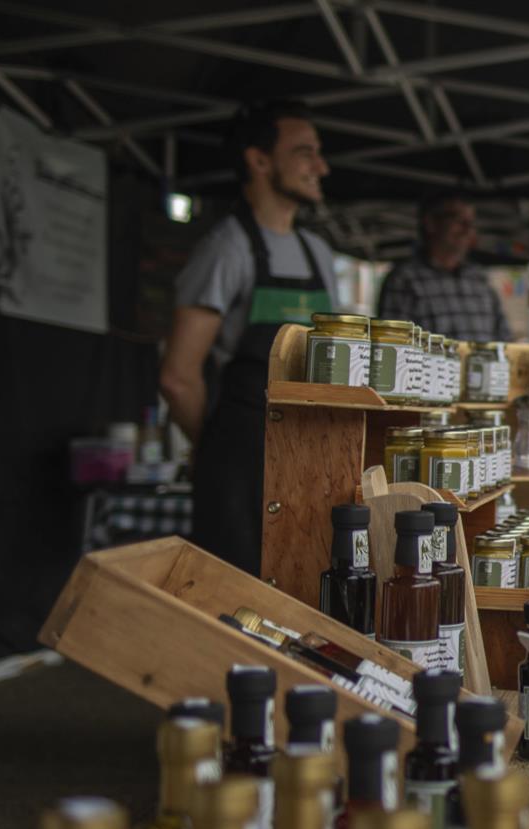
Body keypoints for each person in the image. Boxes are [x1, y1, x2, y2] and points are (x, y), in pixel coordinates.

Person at [161, 99, 335, 574]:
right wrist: (214, 446)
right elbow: (178, 377)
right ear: (259, 161)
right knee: (239, 606)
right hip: (239, 463)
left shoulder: (318, 252)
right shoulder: (226, 248)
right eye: (304, 152)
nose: (321, 166)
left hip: (305, 463)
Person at [376, 191, 511, 342]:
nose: (467, 229)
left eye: (470, 222)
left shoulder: (479, 279)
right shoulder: (404, 279)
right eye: (458, 220)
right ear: (431, 223)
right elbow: (393, 344)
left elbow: (504, 339)